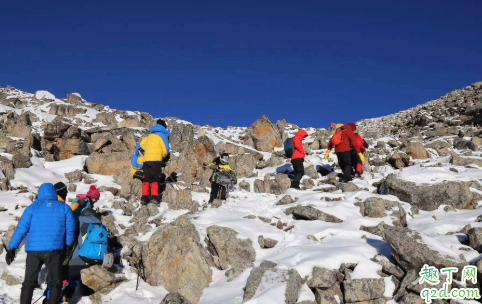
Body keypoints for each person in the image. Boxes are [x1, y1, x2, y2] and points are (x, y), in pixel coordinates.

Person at [5, 183, 75, 304]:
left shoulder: (32, 207)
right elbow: (70, 228)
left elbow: (21, 229)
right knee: (55, 282)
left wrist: (12, 248)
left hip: (34, 251)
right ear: (54, 192)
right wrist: (68, 245)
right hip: (54, 250)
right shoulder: (64, 208)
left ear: (40, 193)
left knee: (28, 282)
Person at [140, 119, 170, 205]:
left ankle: (144, 198)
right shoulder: (162, 135)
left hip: (146, 159)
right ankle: (154, 197)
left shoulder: (150, 135)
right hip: (156, 160)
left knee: (146, 178)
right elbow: (166, 150)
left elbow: (142, 144)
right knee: (155, 178)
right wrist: (162, 156)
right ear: (164, 127)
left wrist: (148, 150)